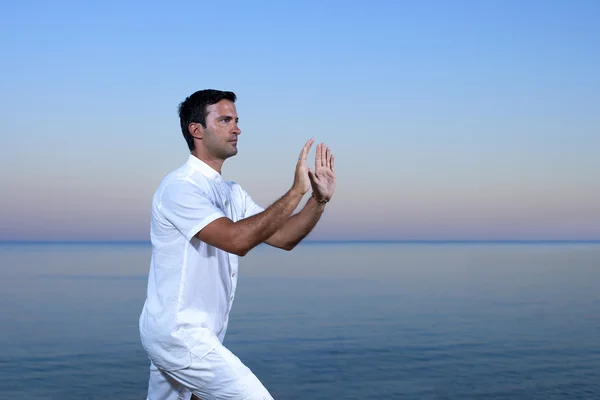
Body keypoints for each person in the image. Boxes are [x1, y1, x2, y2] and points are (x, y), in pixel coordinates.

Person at [139, 89, 336, 400]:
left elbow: (284, 238)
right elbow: (237, 240)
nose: (237, 128)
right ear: (196, 131)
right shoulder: (180, 188)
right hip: (180, 336)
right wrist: (295, 191)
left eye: (237, 120)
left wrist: (318, 199)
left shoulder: (232, 193)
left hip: (193, 336)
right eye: (225, 120)